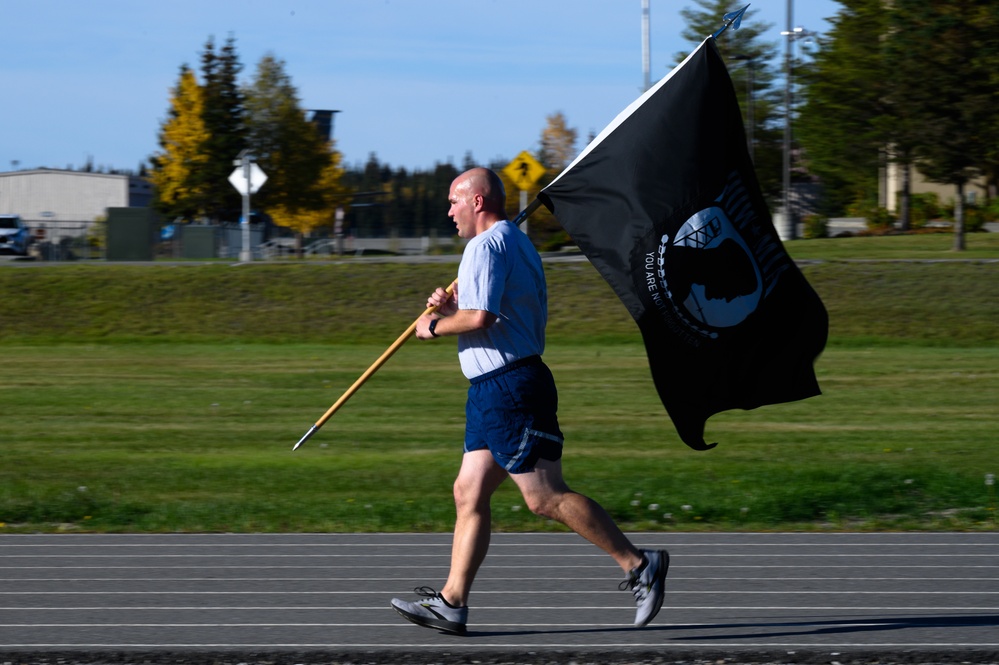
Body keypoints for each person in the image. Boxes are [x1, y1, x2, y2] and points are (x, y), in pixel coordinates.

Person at [390, 167, 668, 636]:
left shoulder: (486, 246)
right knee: (468, 491)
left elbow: (482, 318)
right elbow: (490, 313)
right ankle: (452, 602)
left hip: (509, 388)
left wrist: (433, 326)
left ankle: (639, 564)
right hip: (490, 389)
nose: (449, 211)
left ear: (477, 202)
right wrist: (447, 307)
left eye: (454, 201)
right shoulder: (513, 244)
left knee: (543, 497)